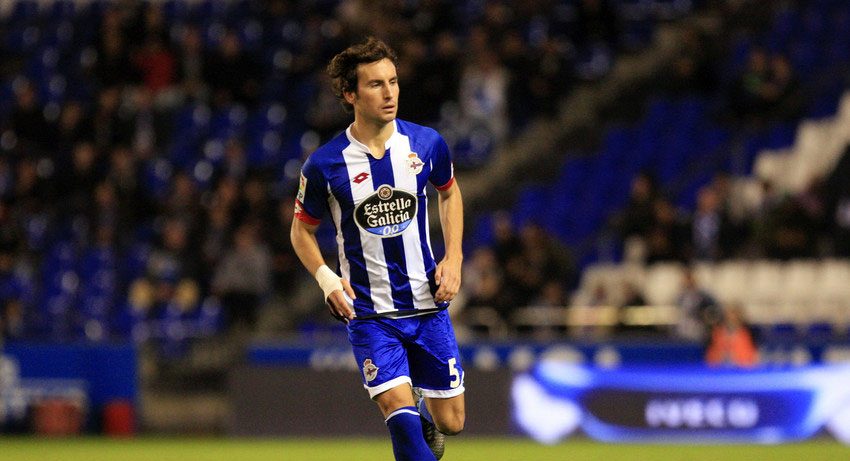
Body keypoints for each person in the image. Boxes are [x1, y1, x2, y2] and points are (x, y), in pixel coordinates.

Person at [290, 38, 465, 461]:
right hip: (369, 313)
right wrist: (327, 279)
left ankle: (424, 420)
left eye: (393, 82)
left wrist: (454, 257)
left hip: (427, 305)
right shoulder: (326, 165)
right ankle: (410, 421)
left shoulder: (425, 144)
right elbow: (301, 231)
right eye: (375, 85)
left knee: (451, 422)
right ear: (350, 94)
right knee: (398, 413)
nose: (389, 93)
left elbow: (450, 193)